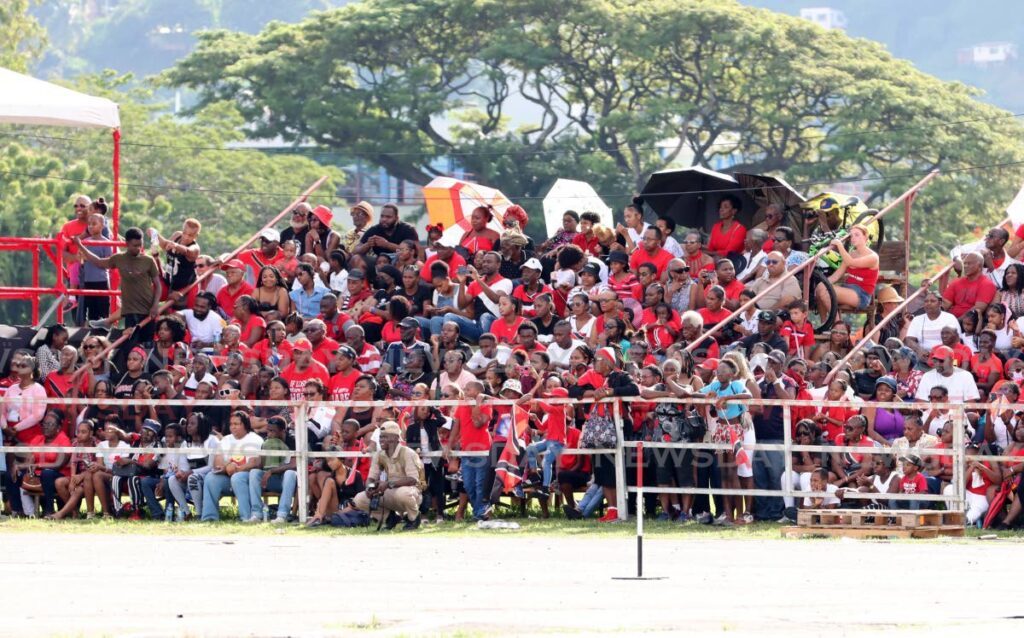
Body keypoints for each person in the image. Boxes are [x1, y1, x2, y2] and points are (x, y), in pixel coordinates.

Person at [76, 227, 161, 340]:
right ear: (127, 244)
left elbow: (158, 285)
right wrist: (80, 246)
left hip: (148, 312)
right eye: (135, 245)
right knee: (131, 345)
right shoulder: (119, 259)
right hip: (130, 312)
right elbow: (99, 262)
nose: (138, 248)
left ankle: (107, 321)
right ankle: (107, 321)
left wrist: (155, 306)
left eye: (140, 245)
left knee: (148, 345)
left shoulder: (148, 260)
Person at [352, 420, 425, 530]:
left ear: (396, 438)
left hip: (412, 492)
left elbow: (413, 480)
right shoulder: (380, 455)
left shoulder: (407, 453)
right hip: (391, 491)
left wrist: (388, 484)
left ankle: (413, 518)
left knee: (403, 493)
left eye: (385, 437)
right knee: (360, 499)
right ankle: (390, 518)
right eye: (381, 437)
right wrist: (370, 488)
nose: (381, 440)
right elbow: (371, 477)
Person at [201, 411, 264, 522]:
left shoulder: (255, 439)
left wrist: (237, 469)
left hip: (247, 477)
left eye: (236, 424)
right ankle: (209, 517)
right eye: (231, 424)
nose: (233, 427)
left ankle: (247, 517)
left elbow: (256, 462)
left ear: (245, 424)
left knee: (238, 477)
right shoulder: (226, 439)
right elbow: (217, 460)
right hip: (227, 475)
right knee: (211, 477)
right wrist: (227, 466)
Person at [249, 416, 298, 524]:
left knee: (290, 473)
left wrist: (271, 471)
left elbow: (294, 465)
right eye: (268, 430)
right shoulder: (267, 441)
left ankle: (282, 515)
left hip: (287, 481)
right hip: (270, 480)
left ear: (283, 431)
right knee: (254, 473)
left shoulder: (292, 440)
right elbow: (261, 466)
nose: (269, 434)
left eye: (273, 431)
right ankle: (257, 514)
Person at [153, 218, 202, 309]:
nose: (186, 237)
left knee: (190, 313)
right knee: (145, 296)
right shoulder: (177, 235)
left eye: (190, 235)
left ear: (196, 236)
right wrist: (155, 234)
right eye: (184, 233)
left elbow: (187, 251)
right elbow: (164, 245)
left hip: (186, 287)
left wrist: (176, 246)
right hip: (168, 282)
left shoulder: (195, 248)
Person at [915, 345, 980, 403]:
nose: (937, 364)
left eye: (941, 361)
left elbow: (971, 404)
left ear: (952, 361)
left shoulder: (966, 376)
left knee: (972, 415)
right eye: (935, 361)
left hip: (958, 414)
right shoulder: (927, 376)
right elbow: (921, 403)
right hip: (933, 414)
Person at [943, 252, 997, 318]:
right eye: (964, 263)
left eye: (969, 263)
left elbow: (978, 309)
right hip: (950, 319)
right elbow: (945, 304)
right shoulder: (956, 282)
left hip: (969, 323)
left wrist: (957, 321)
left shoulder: (987, 284)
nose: (965, 266)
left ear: (979, 266)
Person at [706, 195, 747, 259]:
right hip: (715, 260)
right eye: (720, 207)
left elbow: (729, 253)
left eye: (725, 207)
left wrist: (708, 253)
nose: (721, 209)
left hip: (732, 263)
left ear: (734, 211)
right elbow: (710, 248)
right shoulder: (716, 226)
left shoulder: (740, 229)